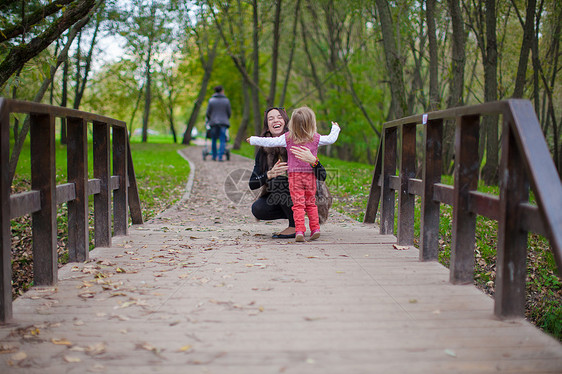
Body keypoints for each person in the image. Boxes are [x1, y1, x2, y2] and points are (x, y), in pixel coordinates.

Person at [248, 106, 340, 242]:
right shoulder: (265, 151)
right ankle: (301, 224)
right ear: (267, 125)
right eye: (270, 118)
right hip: (287, 193)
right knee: (259, 207)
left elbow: (322, 176)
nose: (275, 120)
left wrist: (314, 161)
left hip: (310, 190)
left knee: (284, 187)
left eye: (279, 117)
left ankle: (296, 226)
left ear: (286, 121)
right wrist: (269, 174)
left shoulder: (301, 139)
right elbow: (252, 183)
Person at [206, 85, 231, 161]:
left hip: (213, 123)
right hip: (223, 123)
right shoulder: (226, 101)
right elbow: (229, 113)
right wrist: (226, 118)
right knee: (222, 140)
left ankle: (214, 156)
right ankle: (220, 157)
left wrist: (210, 119)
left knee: (213, 139)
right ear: (222, 91)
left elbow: (208, 113)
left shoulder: (211, 100)